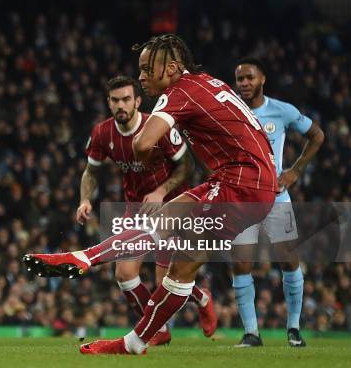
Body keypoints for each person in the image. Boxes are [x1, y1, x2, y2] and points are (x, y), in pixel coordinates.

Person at [23, 34, 277, 355]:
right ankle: (134, 343)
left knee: (162, 227)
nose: (141, 76)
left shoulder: (179, 91)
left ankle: (85, 257)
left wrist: (146, 160)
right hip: (256, 180)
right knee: (181, 269)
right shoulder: (208, 82)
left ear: (171, 67)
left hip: (241, 179)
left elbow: (143, 144)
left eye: (147, 69)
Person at [79, 75, 215, 345]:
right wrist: (85, 200)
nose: (121, 105)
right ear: (109, 103)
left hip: (173, 205)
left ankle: (200, 297)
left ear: (137, 101)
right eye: (115, 100)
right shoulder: (102, 133)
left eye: (126, 99)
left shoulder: (157, 127)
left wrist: (162, 191)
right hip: (136, 208)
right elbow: (90, 171)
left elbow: (187, 165)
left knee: (165, 282)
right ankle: (160, 331)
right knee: (124, 275)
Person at [232, 57, 324, 347]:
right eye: (240, 79)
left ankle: (294, 329)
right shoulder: (229, 110)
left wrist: (295, 170)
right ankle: (251, 333)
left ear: (262, 80)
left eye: (249, 78)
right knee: (241, 263)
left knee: (288, 260)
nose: (244, 83)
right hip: (242, 198)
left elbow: (317, 135)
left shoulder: (282, 111)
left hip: (275, 197)